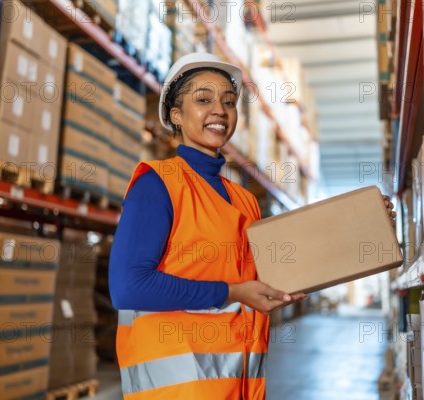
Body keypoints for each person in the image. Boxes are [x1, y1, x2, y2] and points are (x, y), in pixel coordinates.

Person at [109, 52, 396, 400]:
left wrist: (362, 223)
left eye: (229, 102)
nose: (220, 110)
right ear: (176, 116)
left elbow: (259, 280)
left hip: (239, 386)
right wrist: (230, 292)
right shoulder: (158, 184)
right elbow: (128, 287)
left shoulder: (244, 200)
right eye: (203, 100)